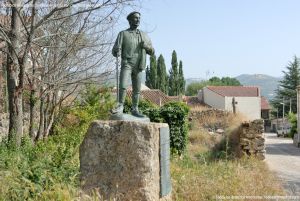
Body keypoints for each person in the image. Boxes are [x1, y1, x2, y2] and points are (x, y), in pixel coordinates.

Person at [112, 11, 154, 117]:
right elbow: (114, 51)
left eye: (139, 18)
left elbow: (152, 52)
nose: (138, 20)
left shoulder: (144, 35)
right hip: (127, 63)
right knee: (122, 86)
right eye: (135, 18)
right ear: (130, 20)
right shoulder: (123, 34)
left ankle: (135, 109)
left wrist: (146, 47)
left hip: (139, 65)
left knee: (137, 89)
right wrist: (116, 51)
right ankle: (120, 105)